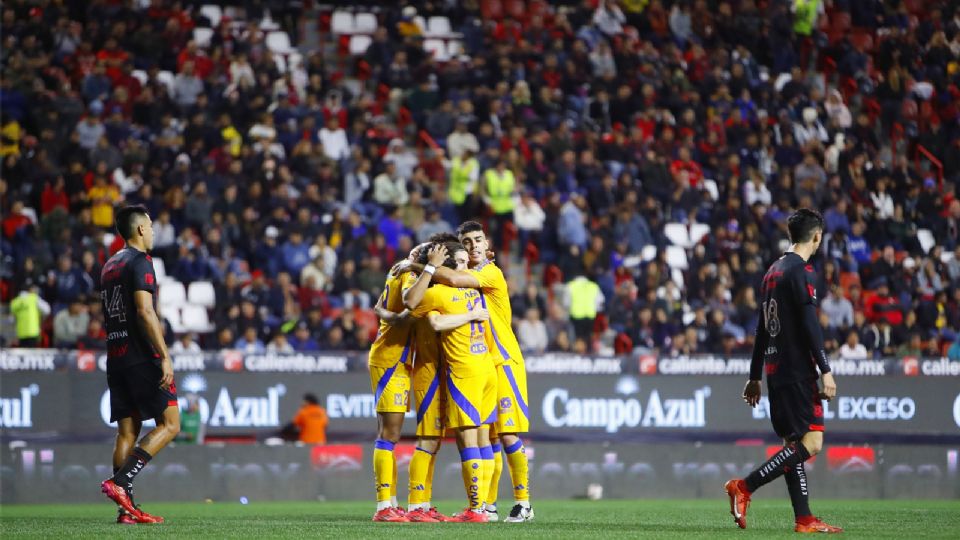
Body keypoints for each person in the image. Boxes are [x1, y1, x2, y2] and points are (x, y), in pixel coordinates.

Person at [398, 221, 534, 522]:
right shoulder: (463, 277)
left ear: (488, 246)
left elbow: (450, 281)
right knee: (488, 435)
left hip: (504, 360)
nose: (473, 246)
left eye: (477, 241)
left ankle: (523, 503)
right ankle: (487, 505)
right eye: (467, 242)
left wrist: (416, 262)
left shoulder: (489, 273)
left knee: (508, 434)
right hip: (483, 360)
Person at [725, 209, 842, 534]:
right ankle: (744, 487)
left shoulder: (772, 272)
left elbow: (762, 330)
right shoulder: (802, 272)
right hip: (797, 368)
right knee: (813, 443)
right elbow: (809, 324)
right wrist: (826, 369)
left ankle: (804, 518)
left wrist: (754, 375)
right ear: (817, 236)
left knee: (794, 444)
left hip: (776, 370)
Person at [99, 205, 180, 525]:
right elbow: (145, 312)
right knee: (171, 423)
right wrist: (164, 356)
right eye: (151, 224)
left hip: (115, 355)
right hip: (141, 355)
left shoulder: (109, 264)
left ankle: (126, 511)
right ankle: (120, 484)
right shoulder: (141, 261)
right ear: (141, 230)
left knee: (127, 431)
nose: (154, 230)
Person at [404, 241, 496, 523]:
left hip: (461, 371)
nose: (465, 264)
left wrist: (417, 266)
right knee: (479, 439)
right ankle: (479, 507)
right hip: (482, 368)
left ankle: (475, 509)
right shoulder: (476, 288)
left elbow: (410, 306)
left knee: (458, 439)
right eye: (462, 259)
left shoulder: (439, 293)